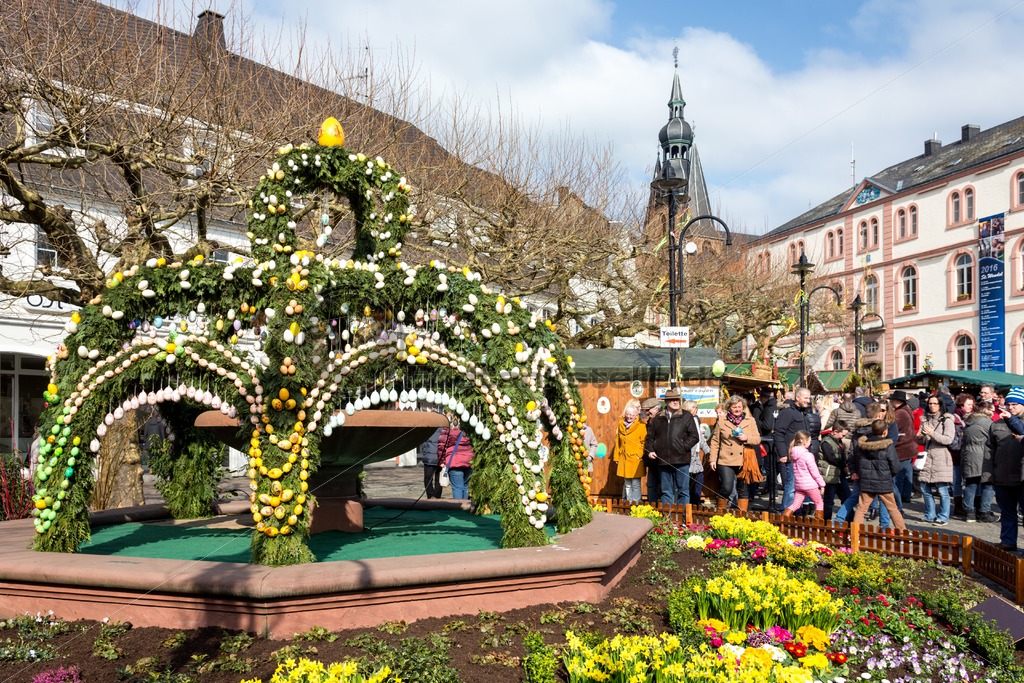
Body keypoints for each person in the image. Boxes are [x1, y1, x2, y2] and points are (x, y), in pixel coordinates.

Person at [850, 419, 908, 531]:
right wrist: (888, 475)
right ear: (885, 432)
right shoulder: (888, 446)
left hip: (866, 481)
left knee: (861, 509)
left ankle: (854, 534)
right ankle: (902, 533)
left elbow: (857, 460)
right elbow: (895, 466)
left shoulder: (862, 445)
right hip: (884, 482)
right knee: (892, 508)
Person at [644, 389, 699, 505]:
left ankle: (683, 518)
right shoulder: (658, 419)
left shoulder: (686, 416)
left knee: (683, 491)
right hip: (663, 461)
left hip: (682, 460)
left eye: (677, 399)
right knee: (666, 492)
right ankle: (668, 519)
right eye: (672, 399)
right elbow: (649, 439)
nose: (675, 402)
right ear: (666, 402)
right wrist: (650, 451)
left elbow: (694, 436)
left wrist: (683, 447)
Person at [709, 394, 762, 512]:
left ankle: (742, 515)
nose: (737, 409)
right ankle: (720, 512)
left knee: (743, 489)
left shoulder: (750, 420)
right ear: (729, 408)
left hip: (744, 460)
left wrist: (746, 438)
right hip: (726, 459)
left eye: (739, 407)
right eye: (734, 407)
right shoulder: (722, 421)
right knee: (726, 488)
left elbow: (757, 439)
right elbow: (715, 441)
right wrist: (713, 459)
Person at [773, 387, 821, 512]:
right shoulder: (788, 413)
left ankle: (796, 511)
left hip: (802, 456)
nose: (808, 401)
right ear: (797, 398)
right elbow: (778, 433)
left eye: (809, 398)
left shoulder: (802, 413)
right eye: (805, 398)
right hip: (792, 456)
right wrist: (783, 453)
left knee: (799, 485)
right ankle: (786, 511)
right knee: (791, 486)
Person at [991, 386, 1024, 551]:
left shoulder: (1017, 421)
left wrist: (1011, 419)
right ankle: (1008, 541)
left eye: (1015, 405)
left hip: (1022, 476)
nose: (1011, 408)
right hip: (1003, 474)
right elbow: (990, 450)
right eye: (1009, 404)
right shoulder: (997, 424)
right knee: (1007, 512)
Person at [917, 394, 956, 525]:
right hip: (928, 457)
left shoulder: (947, 420)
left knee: (942, 489)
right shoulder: (925, 419)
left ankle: (943, 517)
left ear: (940, 405)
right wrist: (919, 436)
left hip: (941, 457)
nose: (932, 406)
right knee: (924, 488)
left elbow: (948, 439)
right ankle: (930, 514)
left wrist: (932, 433)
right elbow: (921, 440)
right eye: (930, 403)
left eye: (935, 403)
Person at [961, 400, 997, 523]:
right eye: (991, 410)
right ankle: (984, 512)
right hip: (983, 457)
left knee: (971, 484)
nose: (993, 413)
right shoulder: (988, 423)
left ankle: (969, 512)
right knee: (988, 484)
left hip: (968, 456)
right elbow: (995, 439)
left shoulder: (969, 421)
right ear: (985, 410)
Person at [783, 431, 826, 519]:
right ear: (804, 442)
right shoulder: (808, 455)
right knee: (819, 503)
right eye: (809, 441)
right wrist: (822, 484)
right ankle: (818, 527)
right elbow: (815, 472)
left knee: (795, 504)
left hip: (799, 485)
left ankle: (783, 520)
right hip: (810, 485)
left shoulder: (793, 454)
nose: (810, 443)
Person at [613, 399, 646, 502]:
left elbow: (643, 443)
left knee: (636, 484)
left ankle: (636, 503)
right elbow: (617, 442)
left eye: (631, 415)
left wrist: (639, 455)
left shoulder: (641, 426)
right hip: (624, 458)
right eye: (627, 414)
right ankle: (628, 502)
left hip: (635, 459)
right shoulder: (620, 424)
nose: (629, 416)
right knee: (627, 484)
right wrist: (616, 456)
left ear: (636, 415)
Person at [888, 391, 917, 504]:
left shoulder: (899, 413)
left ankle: (898, 499)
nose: (890, 402)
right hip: (909, 446)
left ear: (897, 401)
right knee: (907, 473)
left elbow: (893, 428)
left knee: (899, 476)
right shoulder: (906, 410)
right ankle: (906, 495)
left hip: (902, 447)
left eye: (892, 400)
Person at [818, 421, 850, 521]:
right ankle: (826, 523)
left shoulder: (838, 441)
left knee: (847, 498)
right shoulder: (826, 442)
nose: (843, 437)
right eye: (842, 434)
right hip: (829, 476)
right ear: (835, 432)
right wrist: (844, 465)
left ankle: (850, 521)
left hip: (839, 474)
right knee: (829, 501)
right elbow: (831, 458)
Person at [438, 418, 474, 500]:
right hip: (469, 461)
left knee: (457, 487)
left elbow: (441, 446)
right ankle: (465, 509)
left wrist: (442, 461)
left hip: (455, 462)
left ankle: (459, 510)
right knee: (465, 486)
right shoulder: (468, 429)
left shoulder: (447, 430)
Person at [685, 400, 711, 506]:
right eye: (694, 407)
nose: (697, 410)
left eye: (697, 407)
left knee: (699, 479)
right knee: (686, 485)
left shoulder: (696, 420)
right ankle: (688, 506)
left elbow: (701, 438)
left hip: (696, 458)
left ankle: (695, 504)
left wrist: (708, 451)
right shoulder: (683, 420)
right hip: (686, 457)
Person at [640, 397, 662, 502]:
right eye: (646, 410)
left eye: (649, 410)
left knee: (665, 486)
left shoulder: (662, 420)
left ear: (656, 409)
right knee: (651, 485)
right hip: (652, 460)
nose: (647, 412)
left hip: (662, 459)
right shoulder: (650, 421)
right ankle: (652, 508)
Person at [418, 426, 443, 499]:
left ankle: (431, 495)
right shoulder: (443, 429)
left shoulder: (427, 430)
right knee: (438, 479)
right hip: (440, 458)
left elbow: (423, 443)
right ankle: (437, 496)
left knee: (428, 478)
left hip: (429, 458)